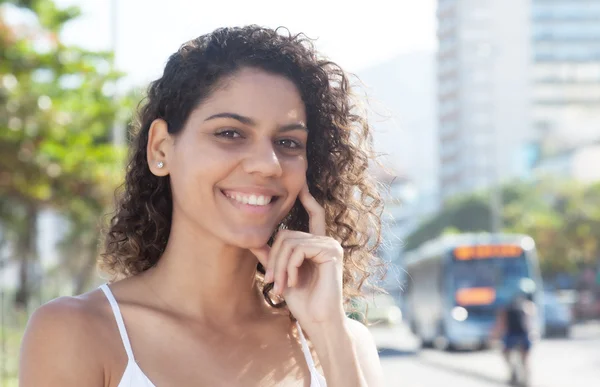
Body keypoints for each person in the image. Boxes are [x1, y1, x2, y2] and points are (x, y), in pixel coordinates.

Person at [18, 26, 386, 386]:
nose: (268, 164)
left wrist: (327, 332)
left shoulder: (343, 342)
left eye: (288, 142)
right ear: (161, 149)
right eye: (230, 133)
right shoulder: (79, 332)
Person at [492, 285, 538, 386]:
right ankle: (526, 380)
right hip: (523, 334)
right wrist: (533, 335)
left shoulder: (505, 308)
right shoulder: (528, 305)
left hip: (511, 334)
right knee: (525, 360)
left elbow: (501, 324)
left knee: (505, 353)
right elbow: (530, 323)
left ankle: (513, 372)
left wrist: (495, 336)